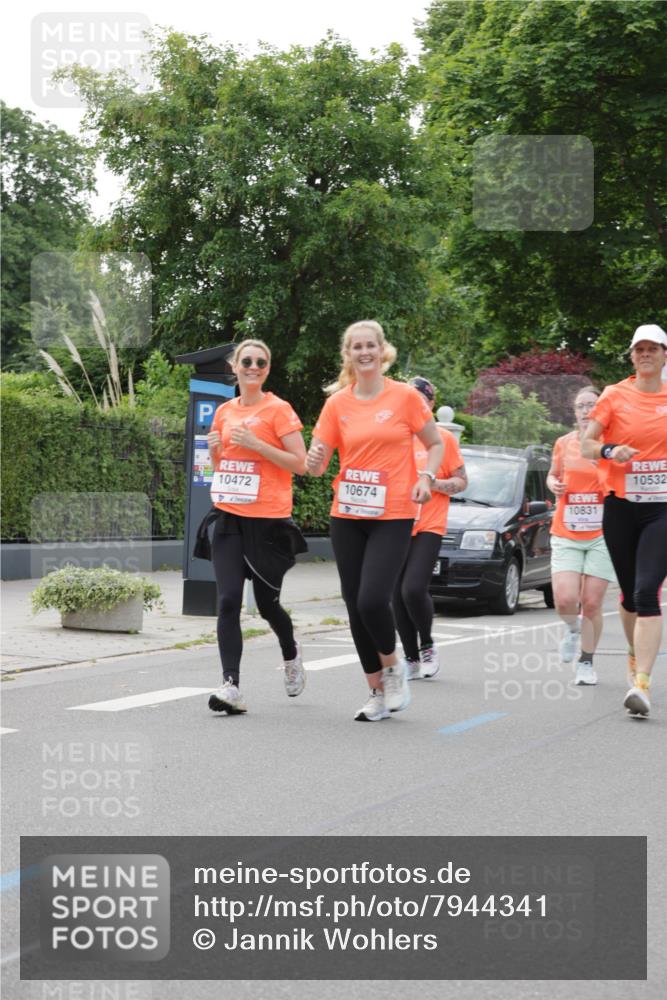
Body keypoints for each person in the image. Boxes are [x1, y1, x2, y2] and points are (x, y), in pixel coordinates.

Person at [305, 320, 444, 721]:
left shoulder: (405, 397)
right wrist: (313, 460)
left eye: (370, 345)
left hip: (393, 514)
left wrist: (426, 477)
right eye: (357, 347)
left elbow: (435, 443)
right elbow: (317, 464)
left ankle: (393, 667)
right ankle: (376, 693)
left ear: (382, 351)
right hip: (347, 514)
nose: (364, 352)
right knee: (354, 606)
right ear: (347, 355)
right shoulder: (337, 404)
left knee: (372, 599)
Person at [201, 339, 308, 715]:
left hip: (268, 523)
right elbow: (223, 467)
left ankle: (291, 654)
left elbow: (300, 463)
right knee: (228, 600)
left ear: (267, 369)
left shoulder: (279, 410)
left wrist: (258, 444)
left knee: (267, 606)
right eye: (246, 361)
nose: (253, 367)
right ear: (235, 366)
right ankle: (231, 686)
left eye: (261, 362)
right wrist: (215, 450)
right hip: (229, 517)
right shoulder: (224, 412)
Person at [582, 324, 667, 717]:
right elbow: (587, 444)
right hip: (620, 506)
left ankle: (642, 684)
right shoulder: (614, 395)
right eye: (639, 349)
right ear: (632, 356)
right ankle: (634, 654)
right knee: (631, 594)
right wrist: (610, 450)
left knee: (648, 590)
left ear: (664, 355)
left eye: (653, 348)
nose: (645, 354)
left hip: (662, 508)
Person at [393, 377, 467, 680]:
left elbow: (462, 481)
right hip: (395, 523)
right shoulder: (394, 436)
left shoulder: (443, 439)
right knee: (395, 595)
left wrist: (432, 483)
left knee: (412, 588)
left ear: (431, 404)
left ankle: (427, 645)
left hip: (429, 525)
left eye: (420, 400)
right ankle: (410, 657)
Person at [546, 386, 617, 685]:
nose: (586, 411)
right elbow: (553, 474)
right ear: (574, 412)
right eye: (581, 406)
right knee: (565, 599)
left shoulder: (610, 445)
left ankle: (586, 662)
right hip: (567, 531)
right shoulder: (564, 443)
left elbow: (622, 482)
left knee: (591, 603)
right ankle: (573, 629)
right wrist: (553, 484)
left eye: (592, 405)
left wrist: (602, 466)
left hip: (602, 533)